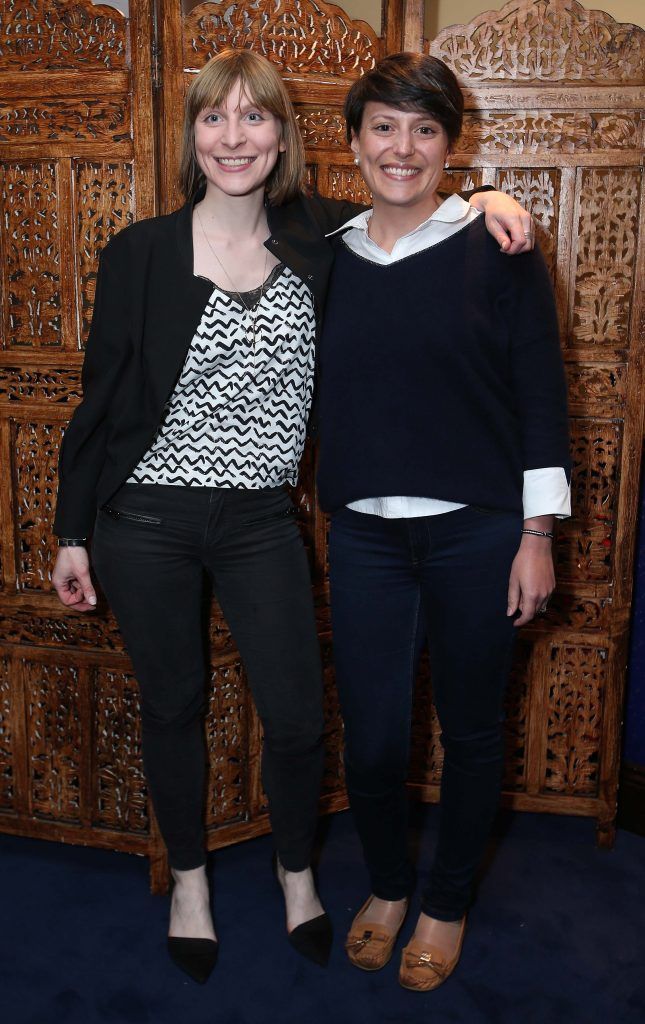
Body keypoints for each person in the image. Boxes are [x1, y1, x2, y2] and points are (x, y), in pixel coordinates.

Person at [51, 48, 534, 983]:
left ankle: (296, 870)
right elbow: (98, 401)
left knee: (301, 720)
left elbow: (416, 206)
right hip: (142, 520)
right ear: (191, 134)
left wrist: (489, 200)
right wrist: (73, 532)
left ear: (283, 134)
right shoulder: (140, 251)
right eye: (214, 118)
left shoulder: (321, 234)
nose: (235, 137)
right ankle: (190, 879)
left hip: (261, 521)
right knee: (173, 706)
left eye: (255, 117)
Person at [316, 52, 571, 991]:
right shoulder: (323, 254)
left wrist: (536, 536)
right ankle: (386, 886)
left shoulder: (495, 249)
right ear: (352, 142)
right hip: (365, 537)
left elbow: (541, 395)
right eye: (383, 126)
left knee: (469, 731)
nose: (402, 147)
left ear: (450, 147)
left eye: (425, 129)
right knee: (374, 735)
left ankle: (445, 900)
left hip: (480, 533)